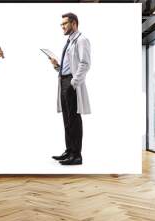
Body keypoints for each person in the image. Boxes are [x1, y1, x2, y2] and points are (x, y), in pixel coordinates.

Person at [50, 13, 91, 165]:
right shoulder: (69, 41)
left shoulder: (81, 40)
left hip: (71, 83)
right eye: (61, 24)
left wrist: (74, 82)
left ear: (74, 23)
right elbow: (68, 66)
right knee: (67, 119)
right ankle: (69, 151)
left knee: (74, 119)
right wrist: (56, 66)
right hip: (63, 81)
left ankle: (77, 155)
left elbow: (85, 63)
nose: (62, 27)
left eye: (65, 24)